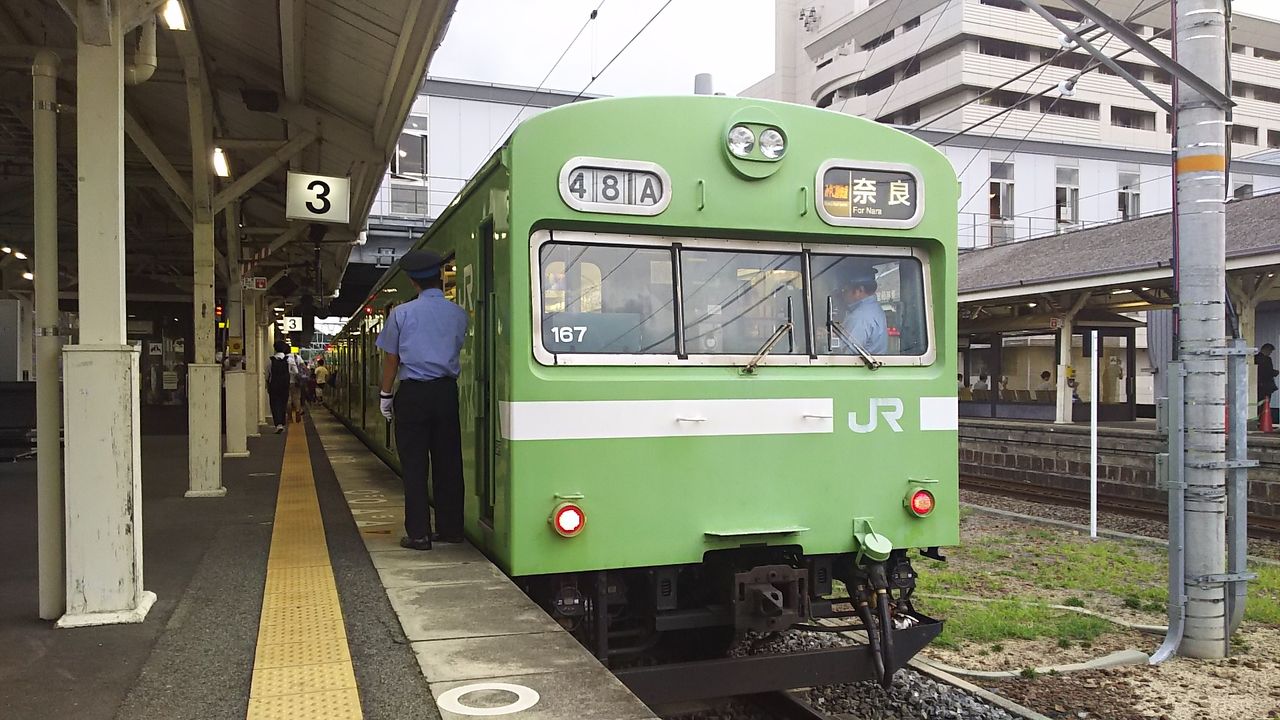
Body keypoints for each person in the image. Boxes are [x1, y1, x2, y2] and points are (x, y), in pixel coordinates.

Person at [377, 249, 469, 551]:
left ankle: (418, 534)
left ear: (413, 282)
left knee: (415, 466)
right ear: (440, 278)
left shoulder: (401, 314)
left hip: (413, 394)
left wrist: (385, 396)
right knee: (448, 463)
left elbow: (391, 360)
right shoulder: (458, 314)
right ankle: (451, 529)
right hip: (445, 392)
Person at [839, 267, 888, 355]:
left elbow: (847, 355)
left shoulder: (859, 316)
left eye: (845, 290)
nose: (843, 295)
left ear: (860, 290)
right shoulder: (875, 309)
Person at [265, 340, 292, 433]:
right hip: (285, 386)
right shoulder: (289, 360)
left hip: (274, 385)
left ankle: (278, 424)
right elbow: (295, 372)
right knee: (283, 404)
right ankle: (282, 422)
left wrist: (267, 385)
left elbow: (267, 375)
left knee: (274, 404)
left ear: (275, 348)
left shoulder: (270, 360)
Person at [1258, 343, 1278, 420]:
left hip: (1257, 385)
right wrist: (1275, 372)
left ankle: (1259, 420)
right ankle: (1264, 419)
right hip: (1266, 386)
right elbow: (1268, 372)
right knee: (1265, 404)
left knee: (1259, 404)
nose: (1270, 353)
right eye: (1270, 351)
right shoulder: (1267, 359)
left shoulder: (1255, 358)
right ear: (1267, 350)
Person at [286, 348, 304, 422]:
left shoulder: (284, 358)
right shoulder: (297, 357)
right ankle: (297, 413)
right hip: (295, 382)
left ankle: (290, 417)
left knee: (288, 399)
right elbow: (300, 370)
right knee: (297, 398)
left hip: (286, 382)